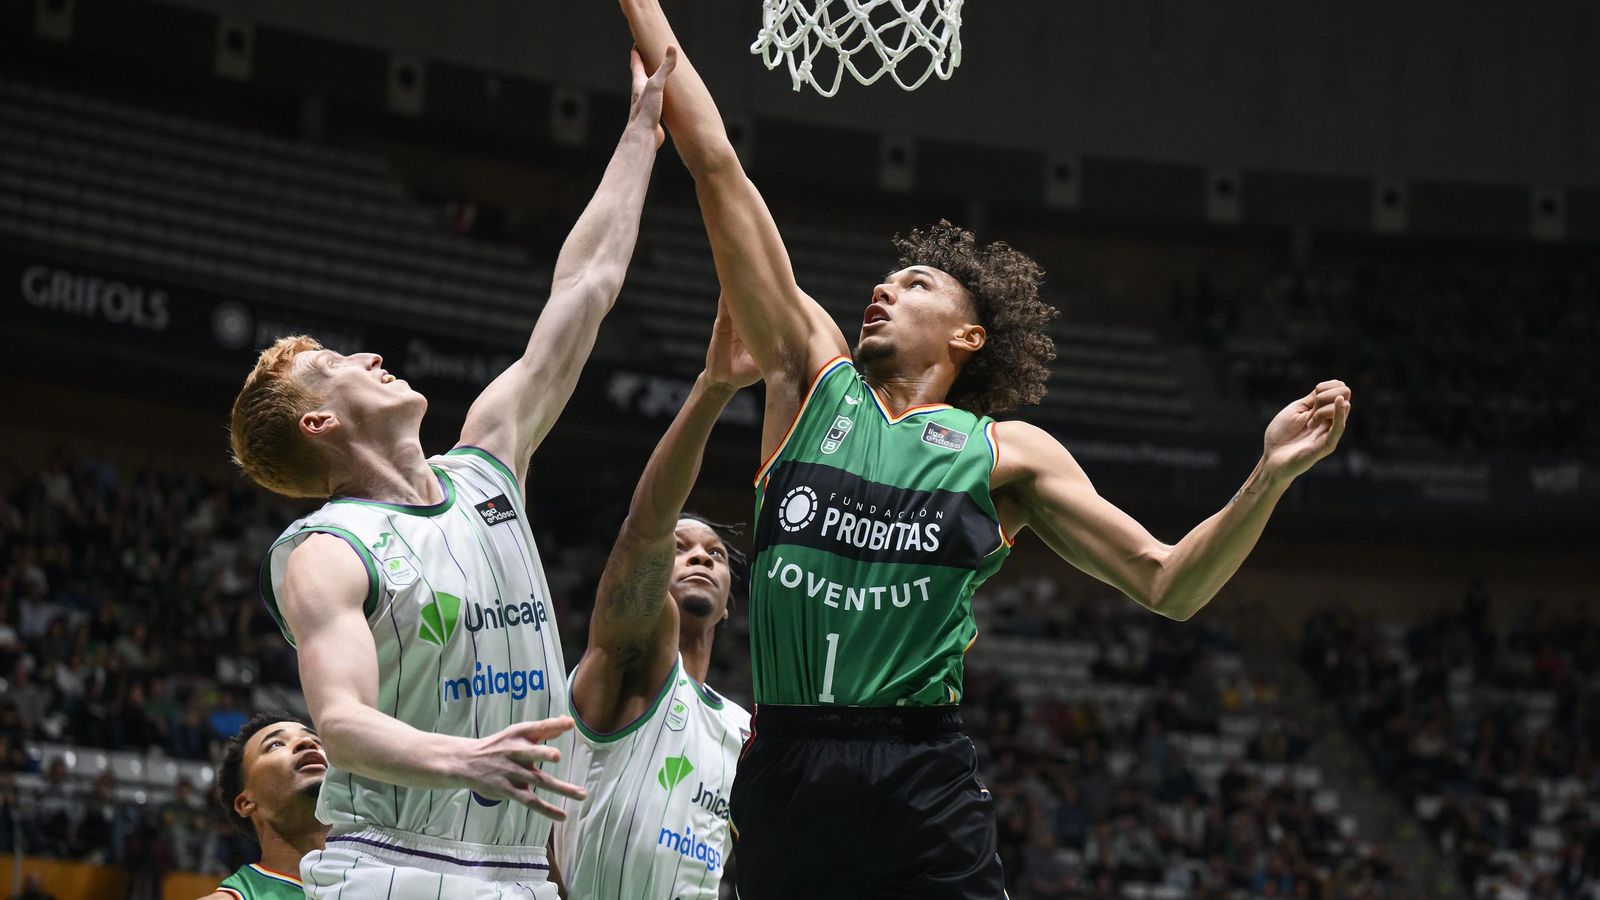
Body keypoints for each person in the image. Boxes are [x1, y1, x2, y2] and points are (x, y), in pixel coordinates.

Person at [616, 3, 1354, 897]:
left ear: (968, 336)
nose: (883, 289)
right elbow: (716, 160)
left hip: (919, 776)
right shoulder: (809, 380)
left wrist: (1268, 476)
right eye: (884, 280)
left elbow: (1170, 582)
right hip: (788, 764)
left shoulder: (1007, 455)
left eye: (914, 283)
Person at [229, 48, 677, 899]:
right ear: (318, 422)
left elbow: (583, 286)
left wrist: (641, 135)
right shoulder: (325, 550)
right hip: (392, 868)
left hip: (519, 874)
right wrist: (463, 758)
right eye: (336, 363)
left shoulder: (489, 465)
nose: (369, 355)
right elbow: (345, 723)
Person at [554, 305, 756, 898]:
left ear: (726, 608)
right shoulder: (630, 661)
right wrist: (713, 390)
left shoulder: (743, 728)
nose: (701, 557)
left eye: (716, 554)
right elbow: (644, 528)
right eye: (682, 548)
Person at [200, 713, 329, 900]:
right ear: (246, 803)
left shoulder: (377, 875)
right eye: (276, 744)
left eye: (316, 740)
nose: (308, 744)